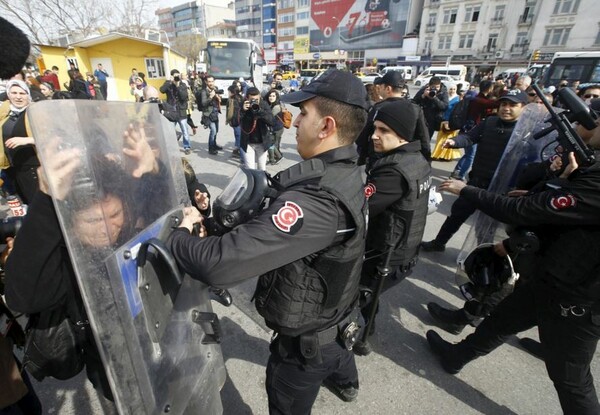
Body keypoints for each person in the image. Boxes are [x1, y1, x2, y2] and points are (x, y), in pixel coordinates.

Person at [166, 68, 369, 414]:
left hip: (307, 346)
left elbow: (219, 264)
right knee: (338, 359)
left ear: (327, 127)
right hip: (334, 316)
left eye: (304, 114)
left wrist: (179, 236)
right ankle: (347, 383)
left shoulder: (316, 200)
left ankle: (343, 381)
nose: (294, 123)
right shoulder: (348, 169)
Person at [426, 122, 600, 413]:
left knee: (571, 378)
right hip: (550, 277)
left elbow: (520, 212)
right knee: (501, 321)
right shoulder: (591, 172)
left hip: (576, 297)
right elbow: (558, 209)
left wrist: (466, 190)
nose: (592, 125)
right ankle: (456, 357)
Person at [4, 123, 167, 404]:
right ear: (71, 226)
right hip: (113, 368)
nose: (107, 227)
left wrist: (154, 171)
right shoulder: (67, 260)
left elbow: (165, 214)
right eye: (92, 221)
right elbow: (23, 295)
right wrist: (46, 201)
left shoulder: (129, 229)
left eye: (114, 214)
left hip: (161, 343)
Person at [354, 99, 431, 355]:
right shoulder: (415, 158)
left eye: (384, 131)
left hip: (385, 255)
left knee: (351, 300)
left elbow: (359, 210)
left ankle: (353, 339)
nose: (374, 136)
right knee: (367, 298)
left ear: (403, 134)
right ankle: (368, 323)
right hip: (402, 250)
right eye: (375, 128)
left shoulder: (393, 170)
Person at [421, 90, 528, 252]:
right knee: (456, 215)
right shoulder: (489, 122)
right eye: (503, 104)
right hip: (476, 182)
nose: (506, 108)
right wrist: (453, 141)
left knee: (486, 227)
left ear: (524, 108)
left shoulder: (526, 132)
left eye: (513, 105)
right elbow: (470, 137)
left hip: (501, 189)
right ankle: (439, 243)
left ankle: (482, 257)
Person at [357, 70, 430, 165]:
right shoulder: (415, 108)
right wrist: (427, 160)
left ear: (388, 89)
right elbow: (424, 137)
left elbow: (364, 135)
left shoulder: (378, 108)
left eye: (381, 87)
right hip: (406, 158)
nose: (379, 89)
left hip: (380, 159)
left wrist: (363, 157)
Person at [0, 80, 39, 204]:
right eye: (14, 93)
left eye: (22, 93)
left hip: (33, 167)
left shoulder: (34, 112)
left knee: (38, 204)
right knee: (25, 204)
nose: (18, 97)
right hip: (13, 168)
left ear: (28, 95)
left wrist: (27, 140)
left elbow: (52, 137)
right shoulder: (6, 114)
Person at [450, 80, 497, 181]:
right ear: (489, 89)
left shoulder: (476, 98)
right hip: (471, 130)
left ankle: (457, 170)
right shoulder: (479, 100)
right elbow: (494, 104)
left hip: (467, 128)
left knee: (468, 154)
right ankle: (460, 175)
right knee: (471, 155)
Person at [239, 87, 274, 171]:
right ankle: (252, 183)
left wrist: (259, 111)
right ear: (247, 98)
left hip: (262, 142)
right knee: (250, 169)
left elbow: (271, 122)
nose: (254, 102)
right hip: (248, 143)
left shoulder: (264, 104)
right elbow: (234, 122)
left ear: (260, 97)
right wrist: (243, 111)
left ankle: (261, 184)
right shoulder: (242, 105)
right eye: (252, 100)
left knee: (262, 168)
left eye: (257, 99)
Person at [160, 69, 191, 154]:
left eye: (178, 76)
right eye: (175, 76)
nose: (177, 78)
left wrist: (177, 86)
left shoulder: (183, 85)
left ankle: (187, 147)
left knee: (185, 130)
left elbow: (184, 97)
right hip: (171, 111)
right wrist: (168, 81)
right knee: (170, 130)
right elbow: (162, 90)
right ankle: (171, 146)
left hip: (181, 111)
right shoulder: (169, 84)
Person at [431, 83, 462, 161]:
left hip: (451, 121)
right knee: (440, 138)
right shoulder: (445, 97)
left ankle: (446, 156)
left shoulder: (458, 98)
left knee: (449, 139)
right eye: (451, 89)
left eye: (454, 89)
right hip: (443, 120)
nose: (452, 91)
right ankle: (437, 154)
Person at [197, 74, 222, 155]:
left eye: (212, 81)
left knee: (216, 131)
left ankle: (214, 144)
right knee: (213, 131)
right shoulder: (204, 91)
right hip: (208, 114)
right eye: (209, 81)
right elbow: (204, 103)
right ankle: (211, 148)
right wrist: (211, 96)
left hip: (215, 113)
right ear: (206, 82)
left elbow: (217, 100)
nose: (211, 83)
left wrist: (218, 98)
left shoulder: (215, 89)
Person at [266, 89, 284, 165]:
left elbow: (269, 118)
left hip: (277, 129)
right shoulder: (271, 105)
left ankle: (278, 157)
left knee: (272, 144)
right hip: (273, 128)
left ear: (276, 97)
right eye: (270, 96)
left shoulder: (276, 107)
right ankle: (272, 159)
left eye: (273, 96)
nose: (271, 97)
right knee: (271, 144)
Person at [225, 84, 243, 160]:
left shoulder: (231, 100)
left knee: (239, 137)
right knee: (239, 137)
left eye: (229, 91)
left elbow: (231, 113)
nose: (228, 93)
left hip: (236, 121)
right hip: (241, 121)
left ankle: (242, 157)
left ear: (232, 92)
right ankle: (237, 151)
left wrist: (228, 120)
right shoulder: (241, 98)